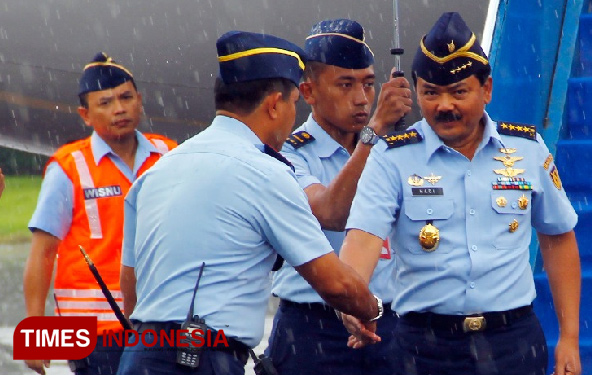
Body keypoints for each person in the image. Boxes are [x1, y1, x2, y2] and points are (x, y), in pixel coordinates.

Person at [117, 31, 382, 375]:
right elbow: (334, 283)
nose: (292, 118)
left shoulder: (157, 171)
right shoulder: (265, 173)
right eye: (293, 105)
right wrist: (370, 310)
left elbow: (130, 284)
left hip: (140, 355)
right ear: (274, 104)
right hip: (201, 359)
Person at [338, 12, 582, 375]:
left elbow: (558, 238)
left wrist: (569, 337)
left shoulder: (527, 149)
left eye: (459, 92)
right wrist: (354, 301)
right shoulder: (392, 157)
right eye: (431, 93)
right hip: (424, 347)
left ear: (487, 90)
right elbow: (363, 238)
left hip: (511, 343)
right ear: (417, 90)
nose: (444, 106)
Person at [265, 19, 411, 375]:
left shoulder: (397, 148)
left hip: (389, 321)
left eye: (369, 84)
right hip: (314, 326)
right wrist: (374, 132)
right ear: (310, 92)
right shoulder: (288, 153)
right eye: (346, 85)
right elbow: (330, 212)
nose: (362, 99)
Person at [23, 52, 177, 375]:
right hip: (95, 335)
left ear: (140, 101)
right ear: (85, 115)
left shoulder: (169, 155)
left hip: (162, 320)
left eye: (126, 97)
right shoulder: (68, 168)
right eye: (105, 102)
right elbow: (42, 253)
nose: (119, 109)